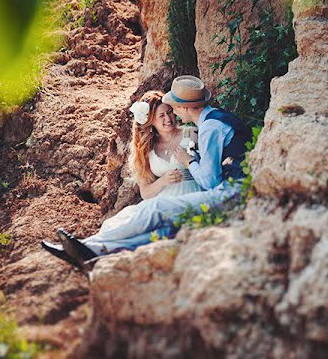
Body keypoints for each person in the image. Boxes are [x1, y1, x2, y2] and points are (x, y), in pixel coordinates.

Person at [42, 76, 250, 269]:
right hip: (229, 191)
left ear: (182, 107)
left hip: (229, 192)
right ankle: (93, 251)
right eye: (164, 114)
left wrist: (189, 162)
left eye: (173, 109)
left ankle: (86, 244)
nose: (172, 115)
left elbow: (209, 182)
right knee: (164, 232)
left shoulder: (208, 128)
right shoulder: (212, 121)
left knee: (156, 209)